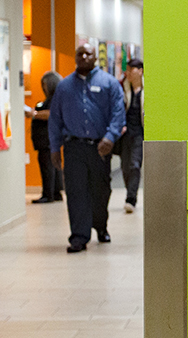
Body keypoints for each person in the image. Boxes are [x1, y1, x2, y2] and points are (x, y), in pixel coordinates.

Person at [48, 43, 125, 253]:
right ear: (75, 58)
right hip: (74, 147)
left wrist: (110, 137)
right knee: (76, 192)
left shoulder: (109, 84)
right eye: (79, 54)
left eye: (87, 53)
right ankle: (79, 237)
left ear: (95, 57)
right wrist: (55, 148)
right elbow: (55, 119)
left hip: (100, 148)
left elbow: (118, 112)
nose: (83, 56)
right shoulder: (64, 87)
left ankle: (100, 226)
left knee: (100, 191)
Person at [28, 71, 64, 203]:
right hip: (47, 139)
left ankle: (48, 194)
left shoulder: (55, 99)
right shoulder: (51, 99)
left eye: (44, 84)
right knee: (52, 166)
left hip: (47, 139)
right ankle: (55, 193)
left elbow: (51, 114)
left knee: (47, 166)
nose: (43, 87)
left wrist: (34, 114)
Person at [120, 58, 144, 213]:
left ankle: (131, 199)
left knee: (135, 165)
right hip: (124, 134)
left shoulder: (147, 90)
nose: (128, 73)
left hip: (139, 133)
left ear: (140, 71)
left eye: (131, 70)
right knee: (125, 167)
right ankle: (130, 191)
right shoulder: (122, 88)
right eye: (127, 70)